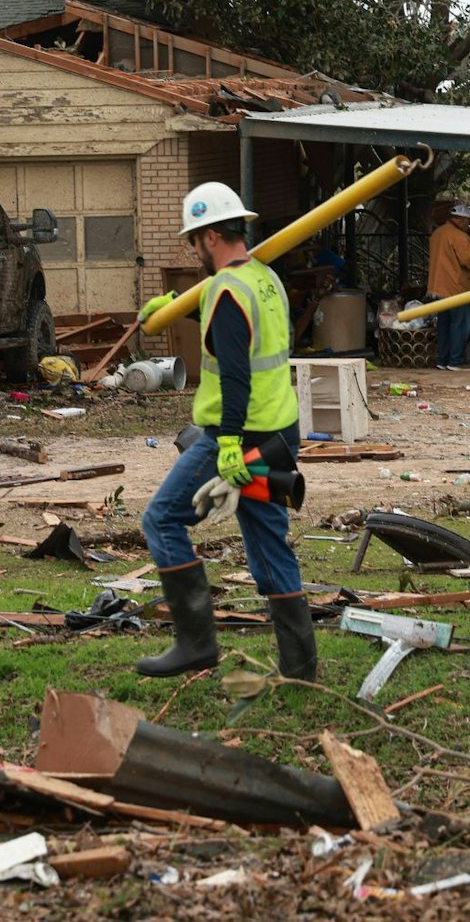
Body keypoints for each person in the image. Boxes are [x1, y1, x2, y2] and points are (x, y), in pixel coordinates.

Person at [134, 183, 312, 682]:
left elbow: (235, 373)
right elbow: (243, 331)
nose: (193, 250)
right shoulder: (265, 278)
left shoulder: (225, 290)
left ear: (210, 237)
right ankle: (300, 669)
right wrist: (178, 305)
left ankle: (196, 643)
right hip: (278, 434)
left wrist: (229, 443)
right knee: (269, 546)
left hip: (238, 438)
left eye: (194, 240)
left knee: (161, 521)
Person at [428, 205, 470, 370]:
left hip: (438, 287)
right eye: (468, 222)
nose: (468, 226)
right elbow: (469, 261)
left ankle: (443, 360)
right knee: (460, 325)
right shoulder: (459, 236)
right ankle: (456, 361)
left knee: (444, 325)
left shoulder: (437, 233)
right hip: (456, 287)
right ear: (461, 220)